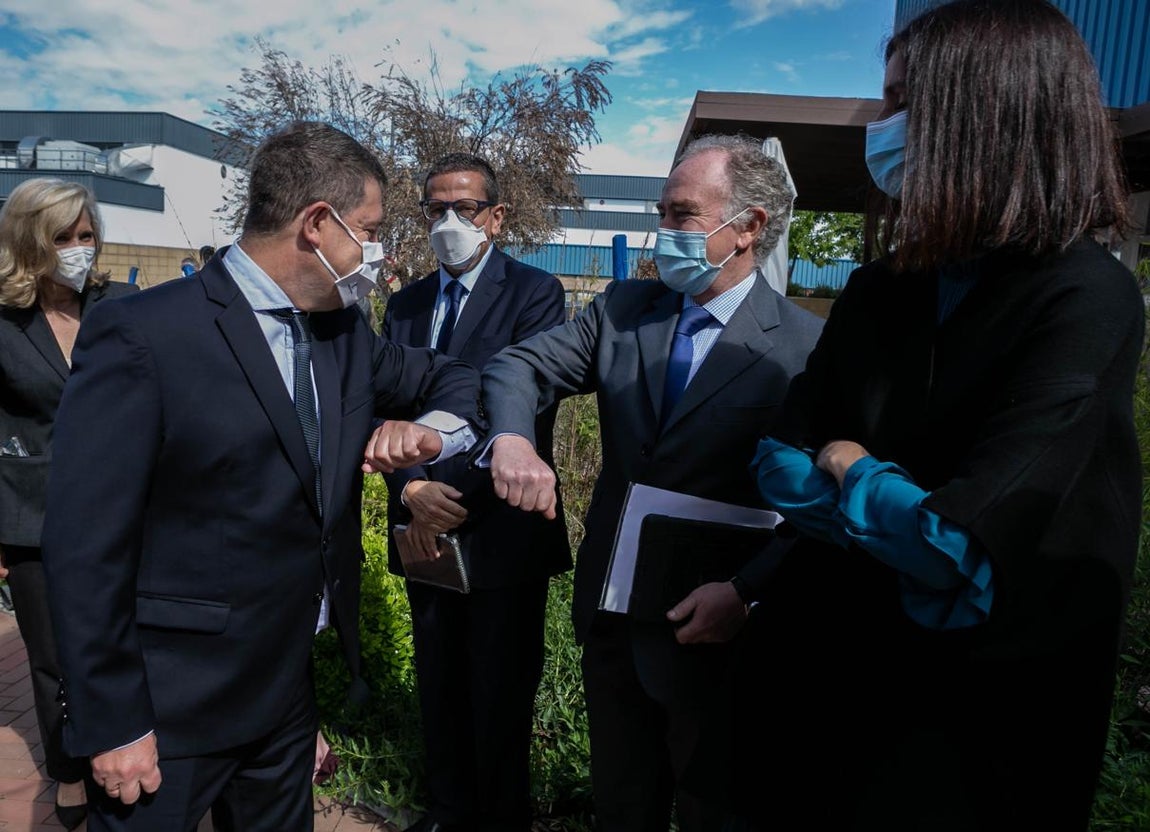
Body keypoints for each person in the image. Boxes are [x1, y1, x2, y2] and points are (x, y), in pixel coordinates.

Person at [752, 2, 1141, 829]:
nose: (878, 125)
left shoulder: (1084, 299)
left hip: (978, 729)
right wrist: (883, 507)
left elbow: (959, 544)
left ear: (984, 114)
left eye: (899, 103)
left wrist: (851, 466)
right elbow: (778, 461)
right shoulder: (883, 288)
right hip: (833, 686)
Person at [40, 121, 482, 832]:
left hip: (282, 705)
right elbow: (84, 546)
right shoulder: (147, 334)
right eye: (367, 230)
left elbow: (456, 375)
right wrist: (112, 723)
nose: (377, 251)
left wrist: (431, 431)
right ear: (316, 224)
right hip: (166, 713)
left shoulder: (342, 333)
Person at [483, 134, 824, 832]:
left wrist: (749, 591)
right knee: (623, 807)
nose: (662, 231)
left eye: (681, 214)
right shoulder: (622, 311)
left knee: (715, 811)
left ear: (750, 226)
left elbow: (822, 509)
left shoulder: (804, 349)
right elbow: (517, 367)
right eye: (660, 213)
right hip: (615, 623)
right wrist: (514, 437)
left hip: (719, 634)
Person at [381, 153, 570, 832]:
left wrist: (448, 490)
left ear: (496, 216)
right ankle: (447, 810)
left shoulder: (536, 293)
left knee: (499, 687)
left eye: (464, 208)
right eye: (436, 209)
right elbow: (383, 406)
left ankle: (501, 817)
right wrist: (411, 490)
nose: (449, 222)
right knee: (438, 680)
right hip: (421, 525)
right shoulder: (403, 306)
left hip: (499, 524)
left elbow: (519, 404)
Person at [0, 178, 138, 830]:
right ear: (31, 241)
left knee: (127, 639)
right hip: (34, 514)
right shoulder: (5, 321)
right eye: (64, 238)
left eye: (87, 236)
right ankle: (69, 767)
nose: (80, 249)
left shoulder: (124, 305)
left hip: (126, 508)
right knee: (54, 657)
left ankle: (131, 742)